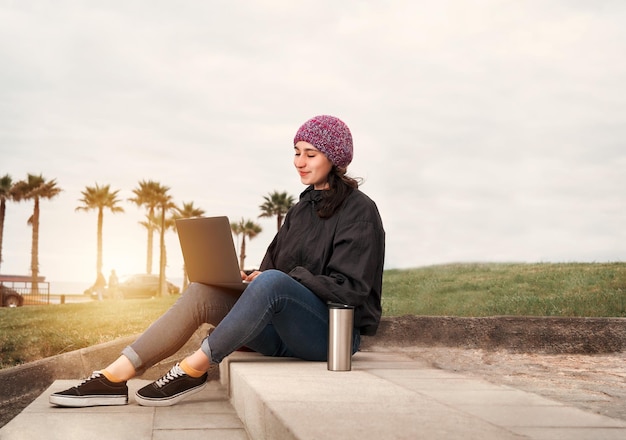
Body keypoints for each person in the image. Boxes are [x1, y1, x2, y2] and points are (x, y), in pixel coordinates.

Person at [50, 115, 385, 408]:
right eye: (296, 152)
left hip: (328, 336)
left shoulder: (360, 211)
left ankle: (192, 370)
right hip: (281, 333)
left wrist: (279, 281)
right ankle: (114, 377)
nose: (300, 161)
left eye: (310, 154)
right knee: (202, 291)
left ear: (335, 158)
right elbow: (271, 271)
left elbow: (350, 290)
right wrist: (248, 278)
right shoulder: (299, 211)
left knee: (271, 282)